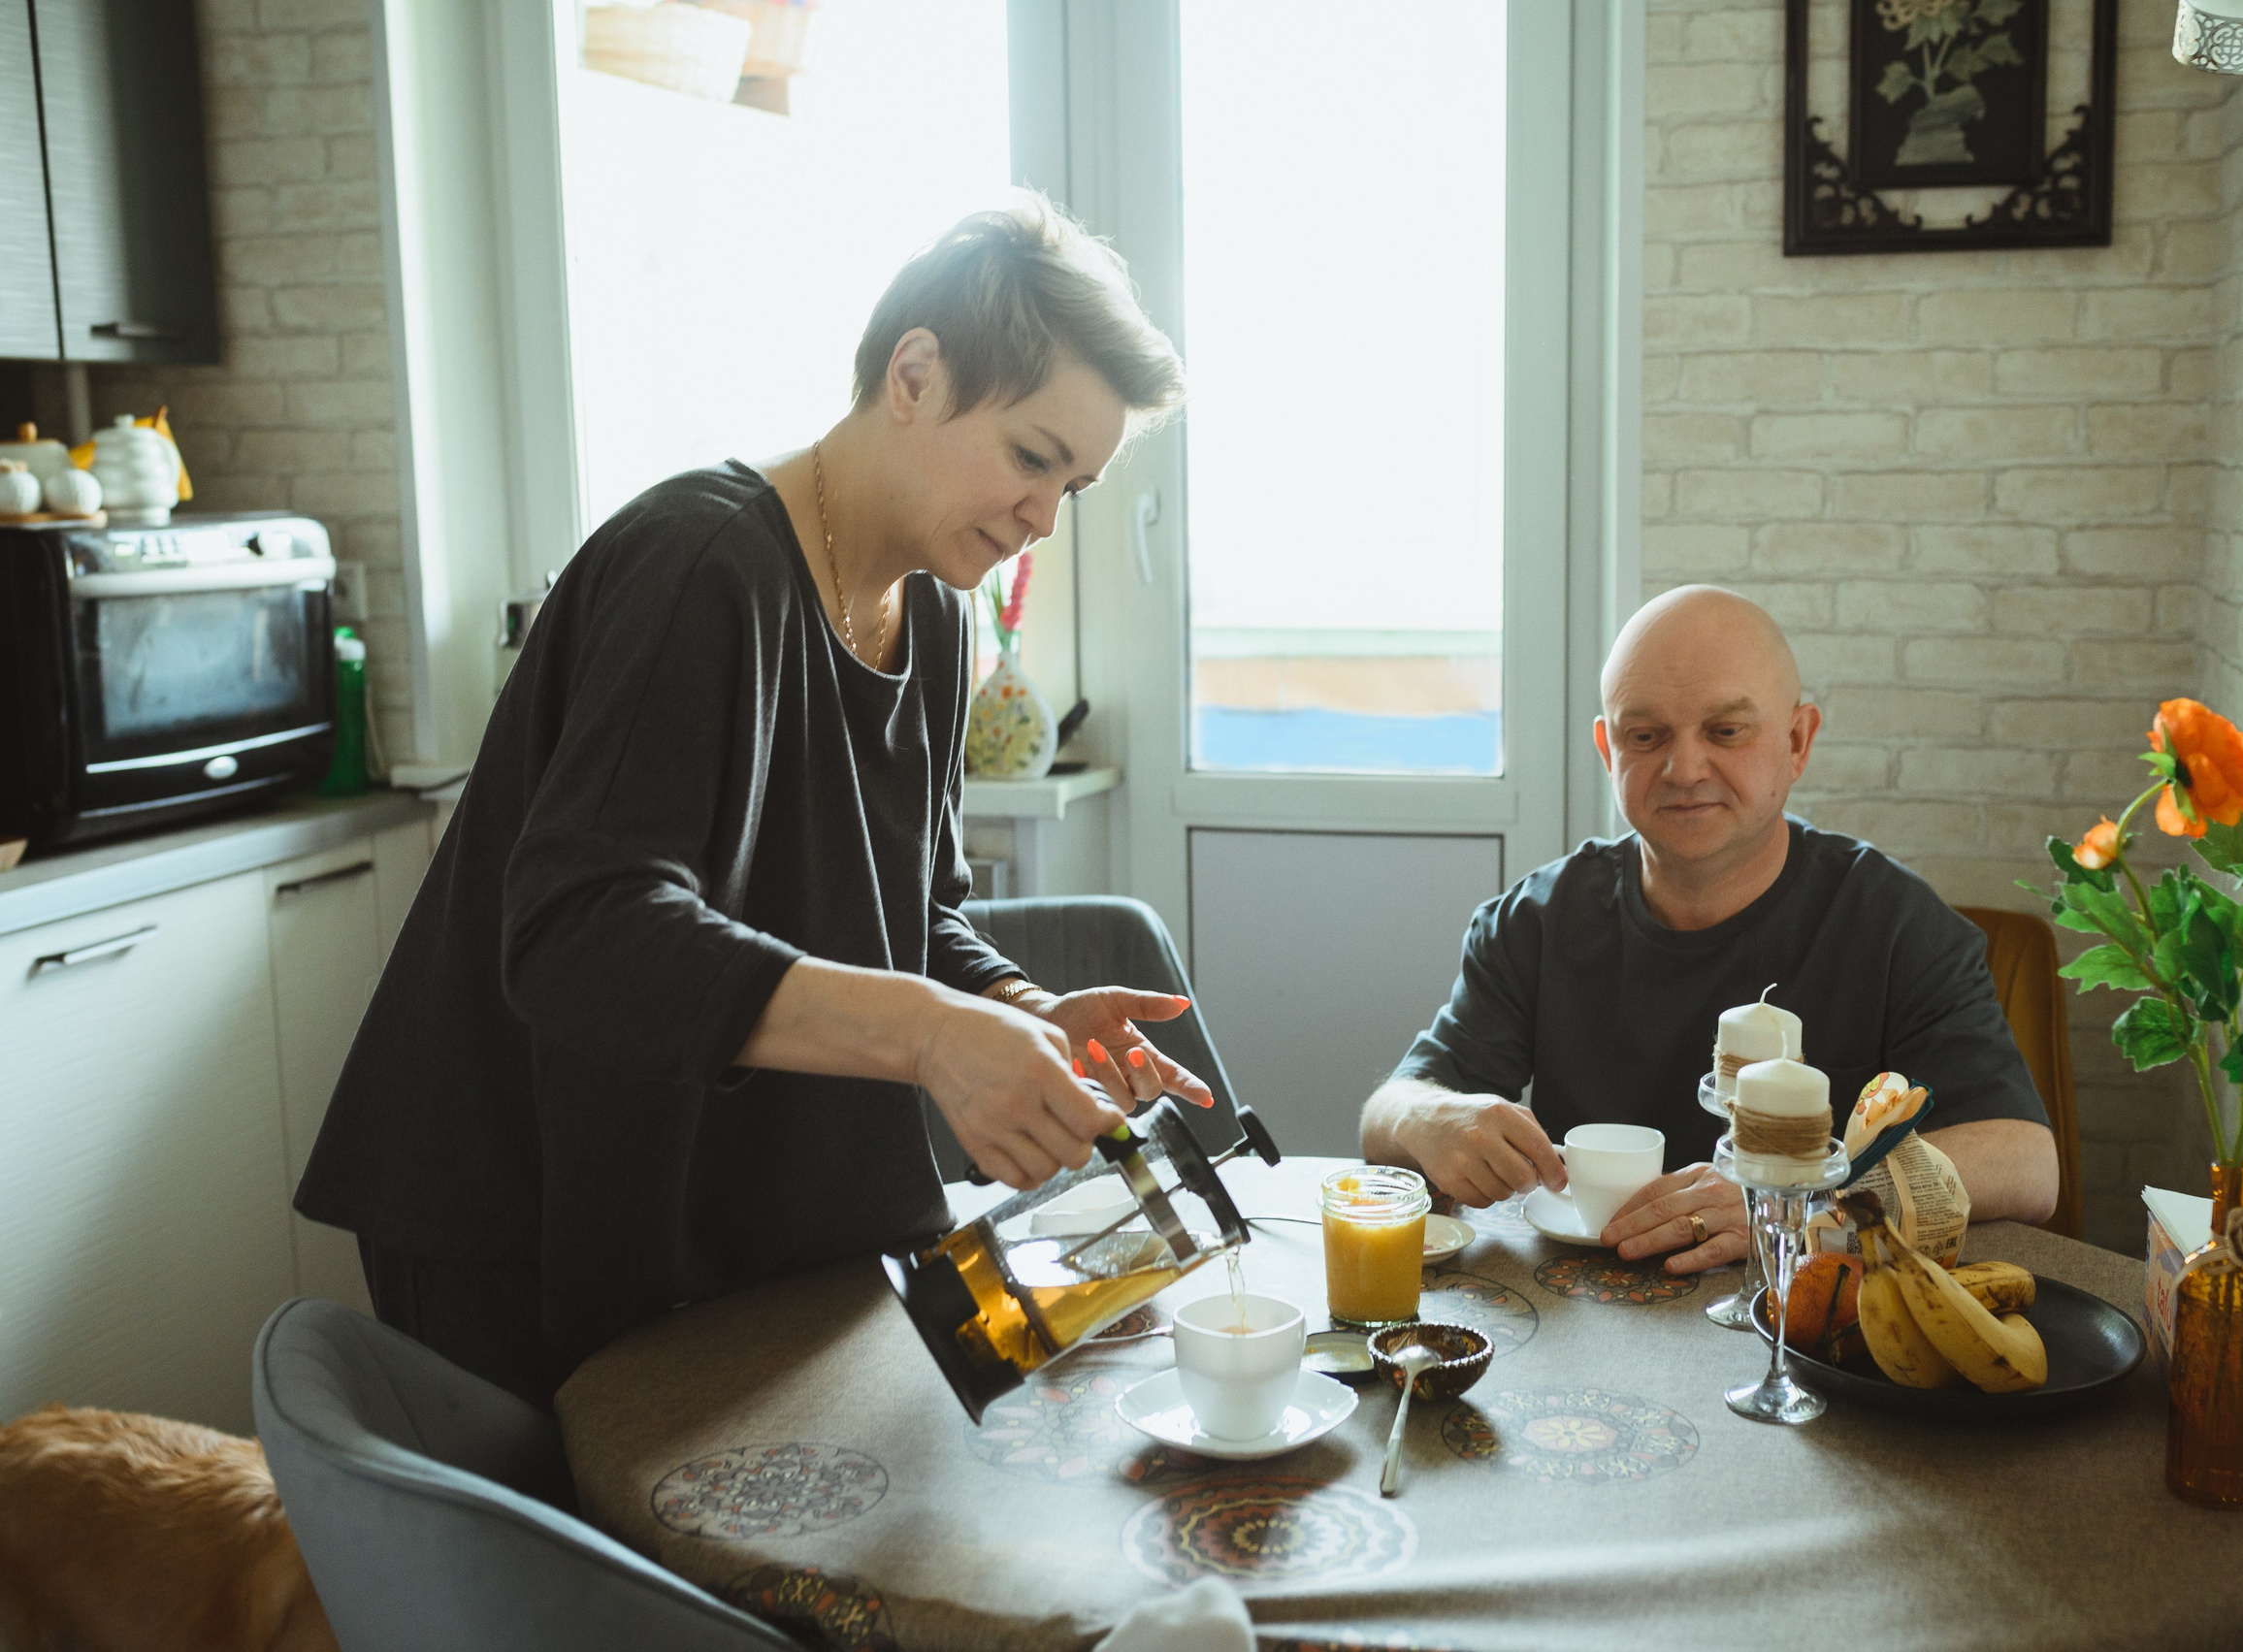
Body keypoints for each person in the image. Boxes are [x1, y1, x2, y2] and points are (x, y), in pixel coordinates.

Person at [298, 196, 1205, 1407]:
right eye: (1034, 457)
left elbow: (910, 916)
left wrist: (1022, 1007)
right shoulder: (702, 563)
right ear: (916, 375)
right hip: (520, 1199)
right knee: (591, 1582)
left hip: (701, 1195)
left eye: (1075, 485)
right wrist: (932, 1035)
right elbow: (582, 931)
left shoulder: (931, 615)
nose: (1046, 514)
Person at [1358, 585, 2059, 1272]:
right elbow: (1391, 1110)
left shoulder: (1897, 923)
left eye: (1725, 731)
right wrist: (1432, 1119)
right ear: (1609, 752)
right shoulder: (1536, 922)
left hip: (1813, 1327)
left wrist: (1803, 1203)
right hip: (1586, 1321)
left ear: (1796, 741)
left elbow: (2028, 1162)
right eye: (1646, 735)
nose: (1684, 768)